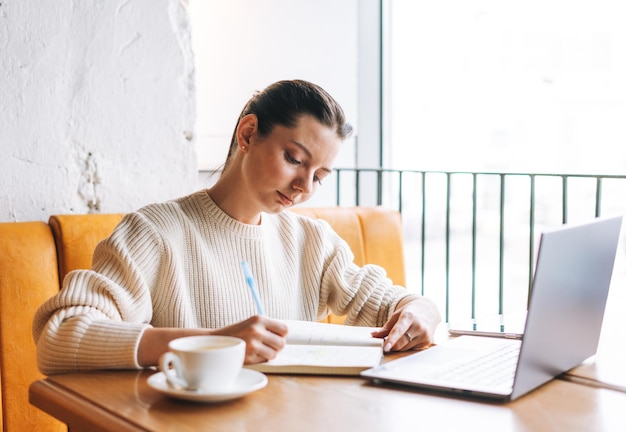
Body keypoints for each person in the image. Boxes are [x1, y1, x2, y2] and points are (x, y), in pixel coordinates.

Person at [33, 79, 441, 374]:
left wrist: (419, 309)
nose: (303, 186)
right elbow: (61, 336)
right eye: (295, 159)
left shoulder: (311, 241)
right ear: (248, 134)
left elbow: (393, 304)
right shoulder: (154, 233)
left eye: (319, 176)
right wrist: (212, 345)